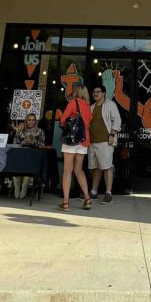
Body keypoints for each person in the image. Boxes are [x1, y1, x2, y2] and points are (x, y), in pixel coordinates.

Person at [59, 84, 93, 212]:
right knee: (79, 170)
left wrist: (64, 123)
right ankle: (88, 199)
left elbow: (63, 119)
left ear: (76, 92)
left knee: (68, 170)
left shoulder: (74, 102)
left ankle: (66, 203)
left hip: (71, 139)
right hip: (84, 140)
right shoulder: (88, 106)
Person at [88, 85, 121, 204]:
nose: (95, 94)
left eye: (98, 92)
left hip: (105, 141)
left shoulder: (110, 104)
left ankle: (108, 194)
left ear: (103, 94)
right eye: (94, 92)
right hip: (92, 142)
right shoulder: (91, 107)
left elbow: (116, 120)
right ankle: (93, 192)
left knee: (107, 167)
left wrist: (112, 135)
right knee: (97, 168)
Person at [12, 113, 45, 199]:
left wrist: (33, 143)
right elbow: (15, 143)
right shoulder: (21, 130)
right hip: (21, 155)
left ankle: (24, 187)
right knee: (15, 167)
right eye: (29, 120)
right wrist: (21, 143)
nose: (31, 122)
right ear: (26, 121)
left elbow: (42, 144)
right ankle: (17, 186)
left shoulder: (39, 131)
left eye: (33, 120)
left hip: (33, 156)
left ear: (35, 121)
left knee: (28, 168)